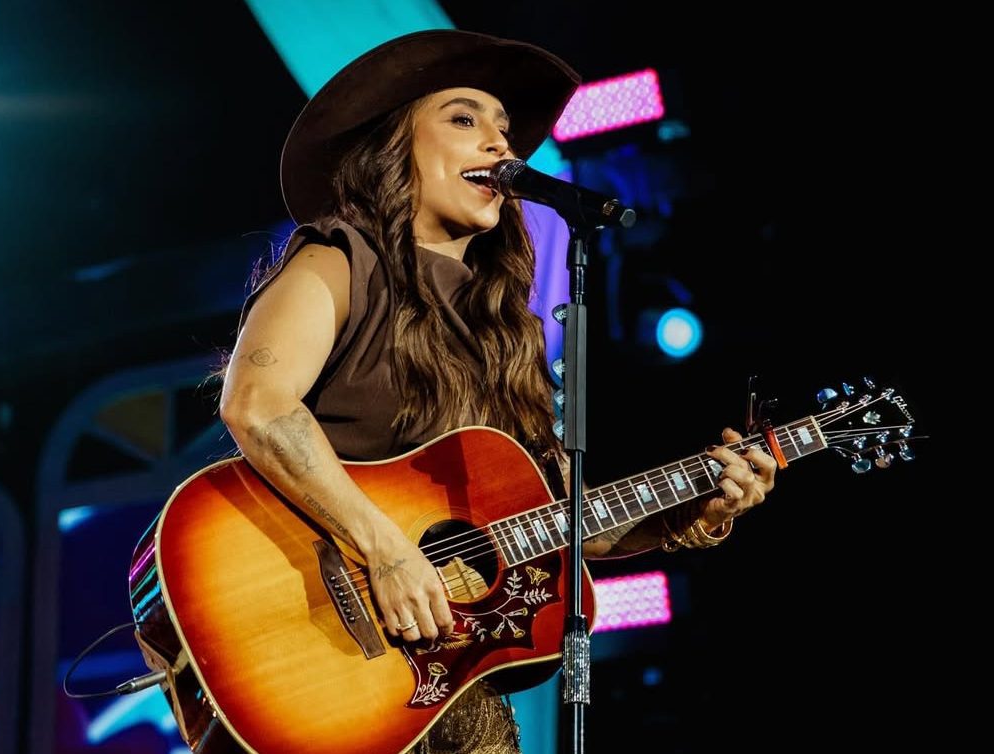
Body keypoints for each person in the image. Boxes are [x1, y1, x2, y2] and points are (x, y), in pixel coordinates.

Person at [218, 28, 777, 754]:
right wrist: (384, 549)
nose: (499, 143)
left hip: (456, 694)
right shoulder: (340, 260)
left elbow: (557, 520)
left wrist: (691, 511)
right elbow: (258, 403)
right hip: (319, 659)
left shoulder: (509, 330)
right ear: (394, 146)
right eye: (464, 119)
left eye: (505, 129)